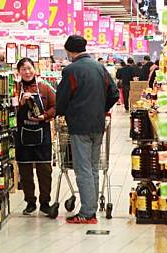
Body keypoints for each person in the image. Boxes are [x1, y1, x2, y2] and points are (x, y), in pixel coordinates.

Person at [56, 35, 119, 224]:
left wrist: (61, 112)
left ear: (69, 50)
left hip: (79, 126)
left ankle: (86, 213)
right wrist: (102, 109)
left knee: (82, 169)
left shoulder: (71, 70)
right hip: (98, 125)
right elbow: (114, 94)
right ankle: (91, 209)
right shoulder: (100, 68)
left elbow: (62, 98)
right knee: (92, 168)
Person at [14, 58, 56, 215]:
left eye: (29, 68)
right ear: (19, 72)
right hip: (22, 135)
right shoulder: (15, 89)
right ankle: (30, 202)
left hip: (42, 134)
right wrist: (21, 102)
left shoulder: (44, 87)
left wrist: (45, 116)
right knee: (25, 170)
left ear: (34, 69)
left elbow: (55, 106)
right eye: (23, 69)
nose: (27, 72)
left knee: (44, 169)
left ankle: (45, 202)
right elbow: (10, 111)